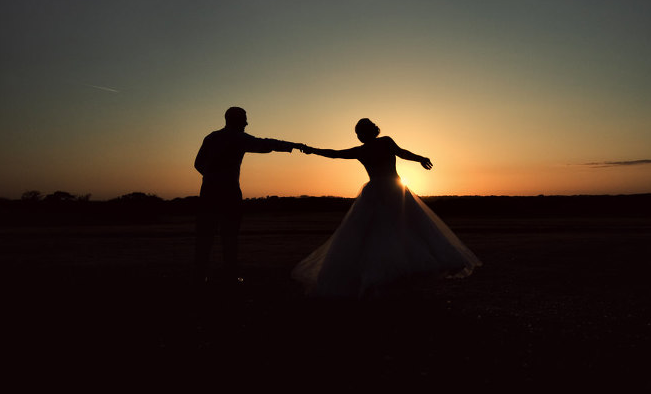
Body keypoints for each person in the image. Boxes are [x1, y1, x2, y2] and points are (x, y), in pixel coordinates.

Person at [292, 118, 481, 298]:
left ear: (368, 132)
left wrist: (311, 150)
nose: (359, 136)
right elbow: (336, 153)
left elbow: (336, 153)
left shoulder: (374, 146)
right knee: (393, 230)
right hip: (392, 190)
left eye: (360, 132)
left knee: (389, 229)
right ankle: (387, 275)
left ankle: (391, 274)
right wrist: (311, 150)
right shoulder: (374, 146)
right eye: (358, 133)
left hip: (385, 192)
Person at [194, 106, 303, 285]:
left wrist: (211, 177)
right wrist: (292, 145)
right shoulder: (237, 137)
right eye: (244, 119)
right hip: (229, 193)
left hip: (208, 192)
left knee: (205, 237)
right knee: (229, 237)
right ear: (236, 121)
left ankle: (199, 277)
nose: (247, 123)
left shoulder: (211, 137)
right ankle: (229, 277)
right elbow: (265, 144)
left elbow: (198, 164)